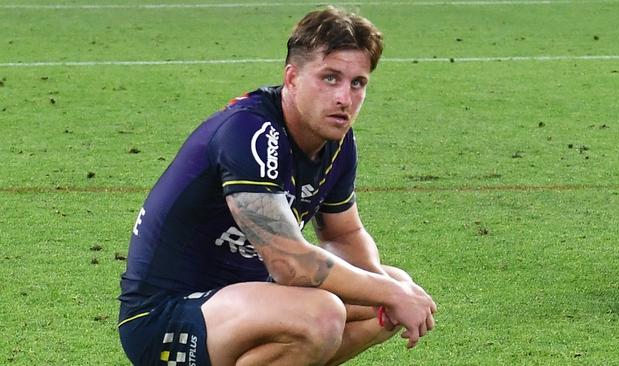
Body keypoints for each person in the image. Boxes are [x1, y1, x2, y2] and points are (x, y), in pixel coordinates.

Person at [118, 6, 436, 366]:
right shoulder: (250, 132)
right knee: (323, 314)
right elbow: (289, 263)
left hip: (246, 305)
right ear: (292, 78)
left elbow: (344, 235)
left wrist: (391, 292)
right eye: (330, 78)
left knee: (392, 289)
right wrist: (390, 292)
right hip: (165, 319)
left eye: (357, 83)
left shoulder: (337, 142)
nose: (344, 98)